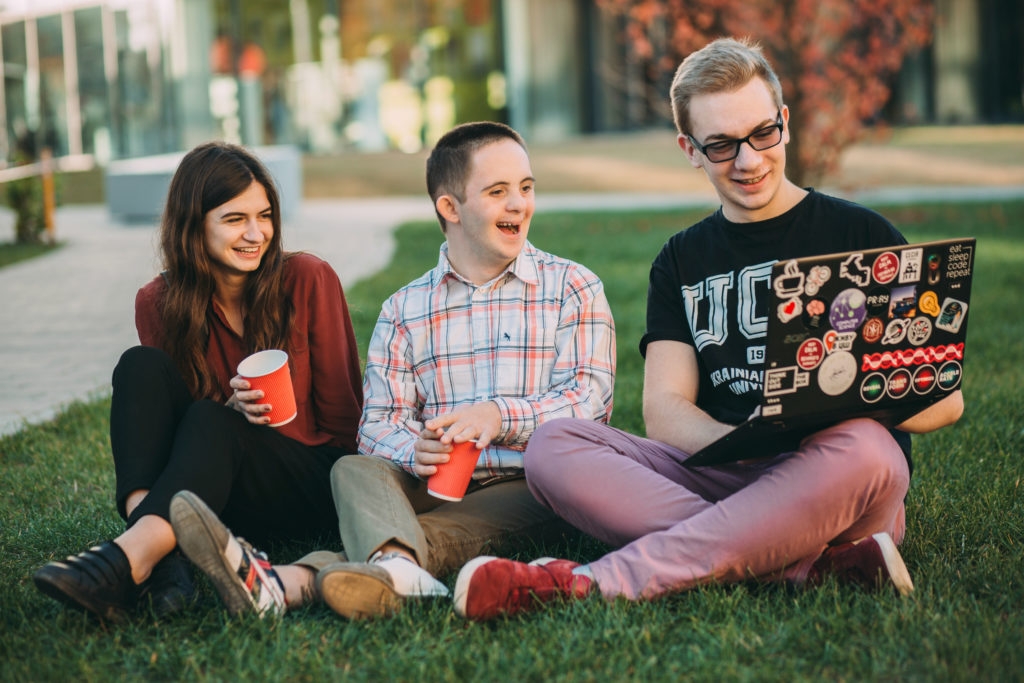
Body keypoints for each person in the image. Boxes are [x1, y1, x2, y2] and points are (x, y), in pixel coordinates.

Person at [452, 37, 965, 621]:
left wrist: (832, 404)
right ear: (689, 149)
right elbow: (665, 413)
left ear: (785, 123)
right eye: (721, 145)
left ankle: (591, 582)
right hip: (721, 468)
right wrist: (749, 442)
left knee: (869, 449)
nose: (748, 161)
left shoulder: (860, 235)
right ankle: (807, 564)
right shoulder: (680, 259)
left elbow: (944, 402)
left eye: (762, 134)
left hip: (838, 479)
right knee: (553, 445)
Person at [169, 120, 617, 620]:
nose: (519, 204)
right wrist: (415, 450)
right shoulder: (406, 309)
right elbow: (376, 426)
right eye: (497, 191)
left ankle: (292, 580)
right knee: (353, 467)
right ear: (449, 207)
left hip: (533, 484)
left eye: (526, 188)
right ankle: (395, 571)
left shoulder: (572, 287)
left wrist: (497, 415)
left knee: (433, 533)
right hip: (429, 485)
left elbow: (589, 403)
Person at [33, 141, 364, 621]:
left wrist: (234, 422)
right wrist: (229, 415)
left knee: (211, 419)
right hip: (210, 496)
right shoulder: (158, 302)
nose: (257, 234)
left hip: (311, 482)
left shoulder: (308, 278)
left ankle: (128, 560)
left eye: (265, 216)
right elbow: (165, 434)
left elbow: (345, 427)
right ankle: (159, 556)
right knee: (138, 366)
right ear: (194, 225)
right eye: (235, 219)